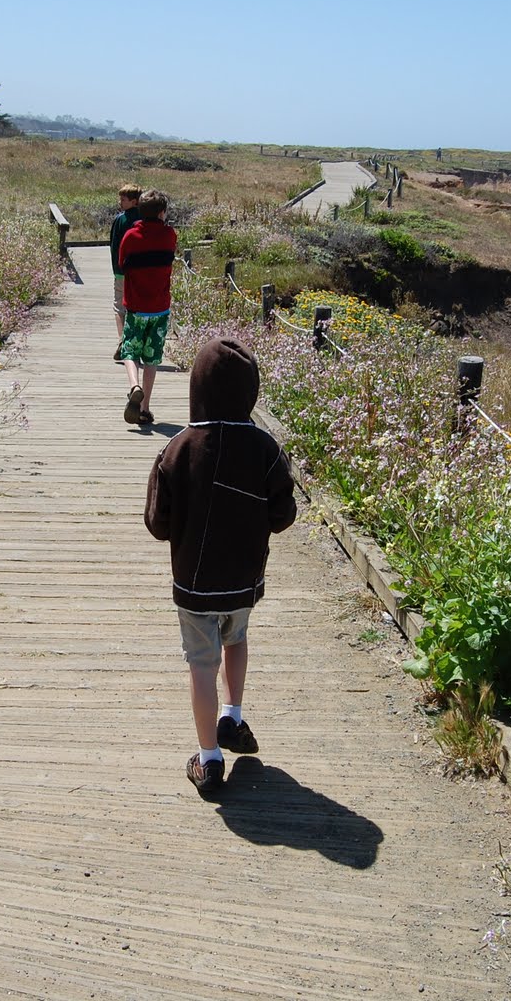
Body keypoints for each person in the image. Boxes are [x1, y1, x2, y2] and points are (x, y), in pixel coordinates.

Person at [144, 336, 297, 795]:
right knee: (238, 638)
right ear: (250, 391)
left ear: (197, 388)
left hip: (194, 584)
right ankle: (234, 715)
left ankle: (209, 758)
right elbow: (283, 515)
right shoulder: (266, 449)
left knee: (200, 664)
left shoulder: (177, 448)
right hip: (244, 580)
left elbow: (157, 523)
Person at [116, 189, 175, 427]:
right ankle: (145, 409)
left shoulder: (130, 236)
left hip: (136, 307)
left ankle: (134, 386)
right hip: (160, 308)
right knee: (152, 359)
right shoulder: (170, 235)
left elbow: (122, 265)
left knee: (129, 350)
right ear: (162, 212)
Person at [108, 184, 142, 361]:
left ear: (133, 201)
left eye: (123, 199)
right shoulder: (145, 218)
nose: (120, 202)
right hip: (140, 272)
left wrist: (116, 269)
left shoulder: (120, 220)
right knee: (135, 307)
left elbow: (114, 246)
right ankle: (136, 341)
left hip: (122, 271)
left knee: (119, 306)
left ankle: (122, 340)